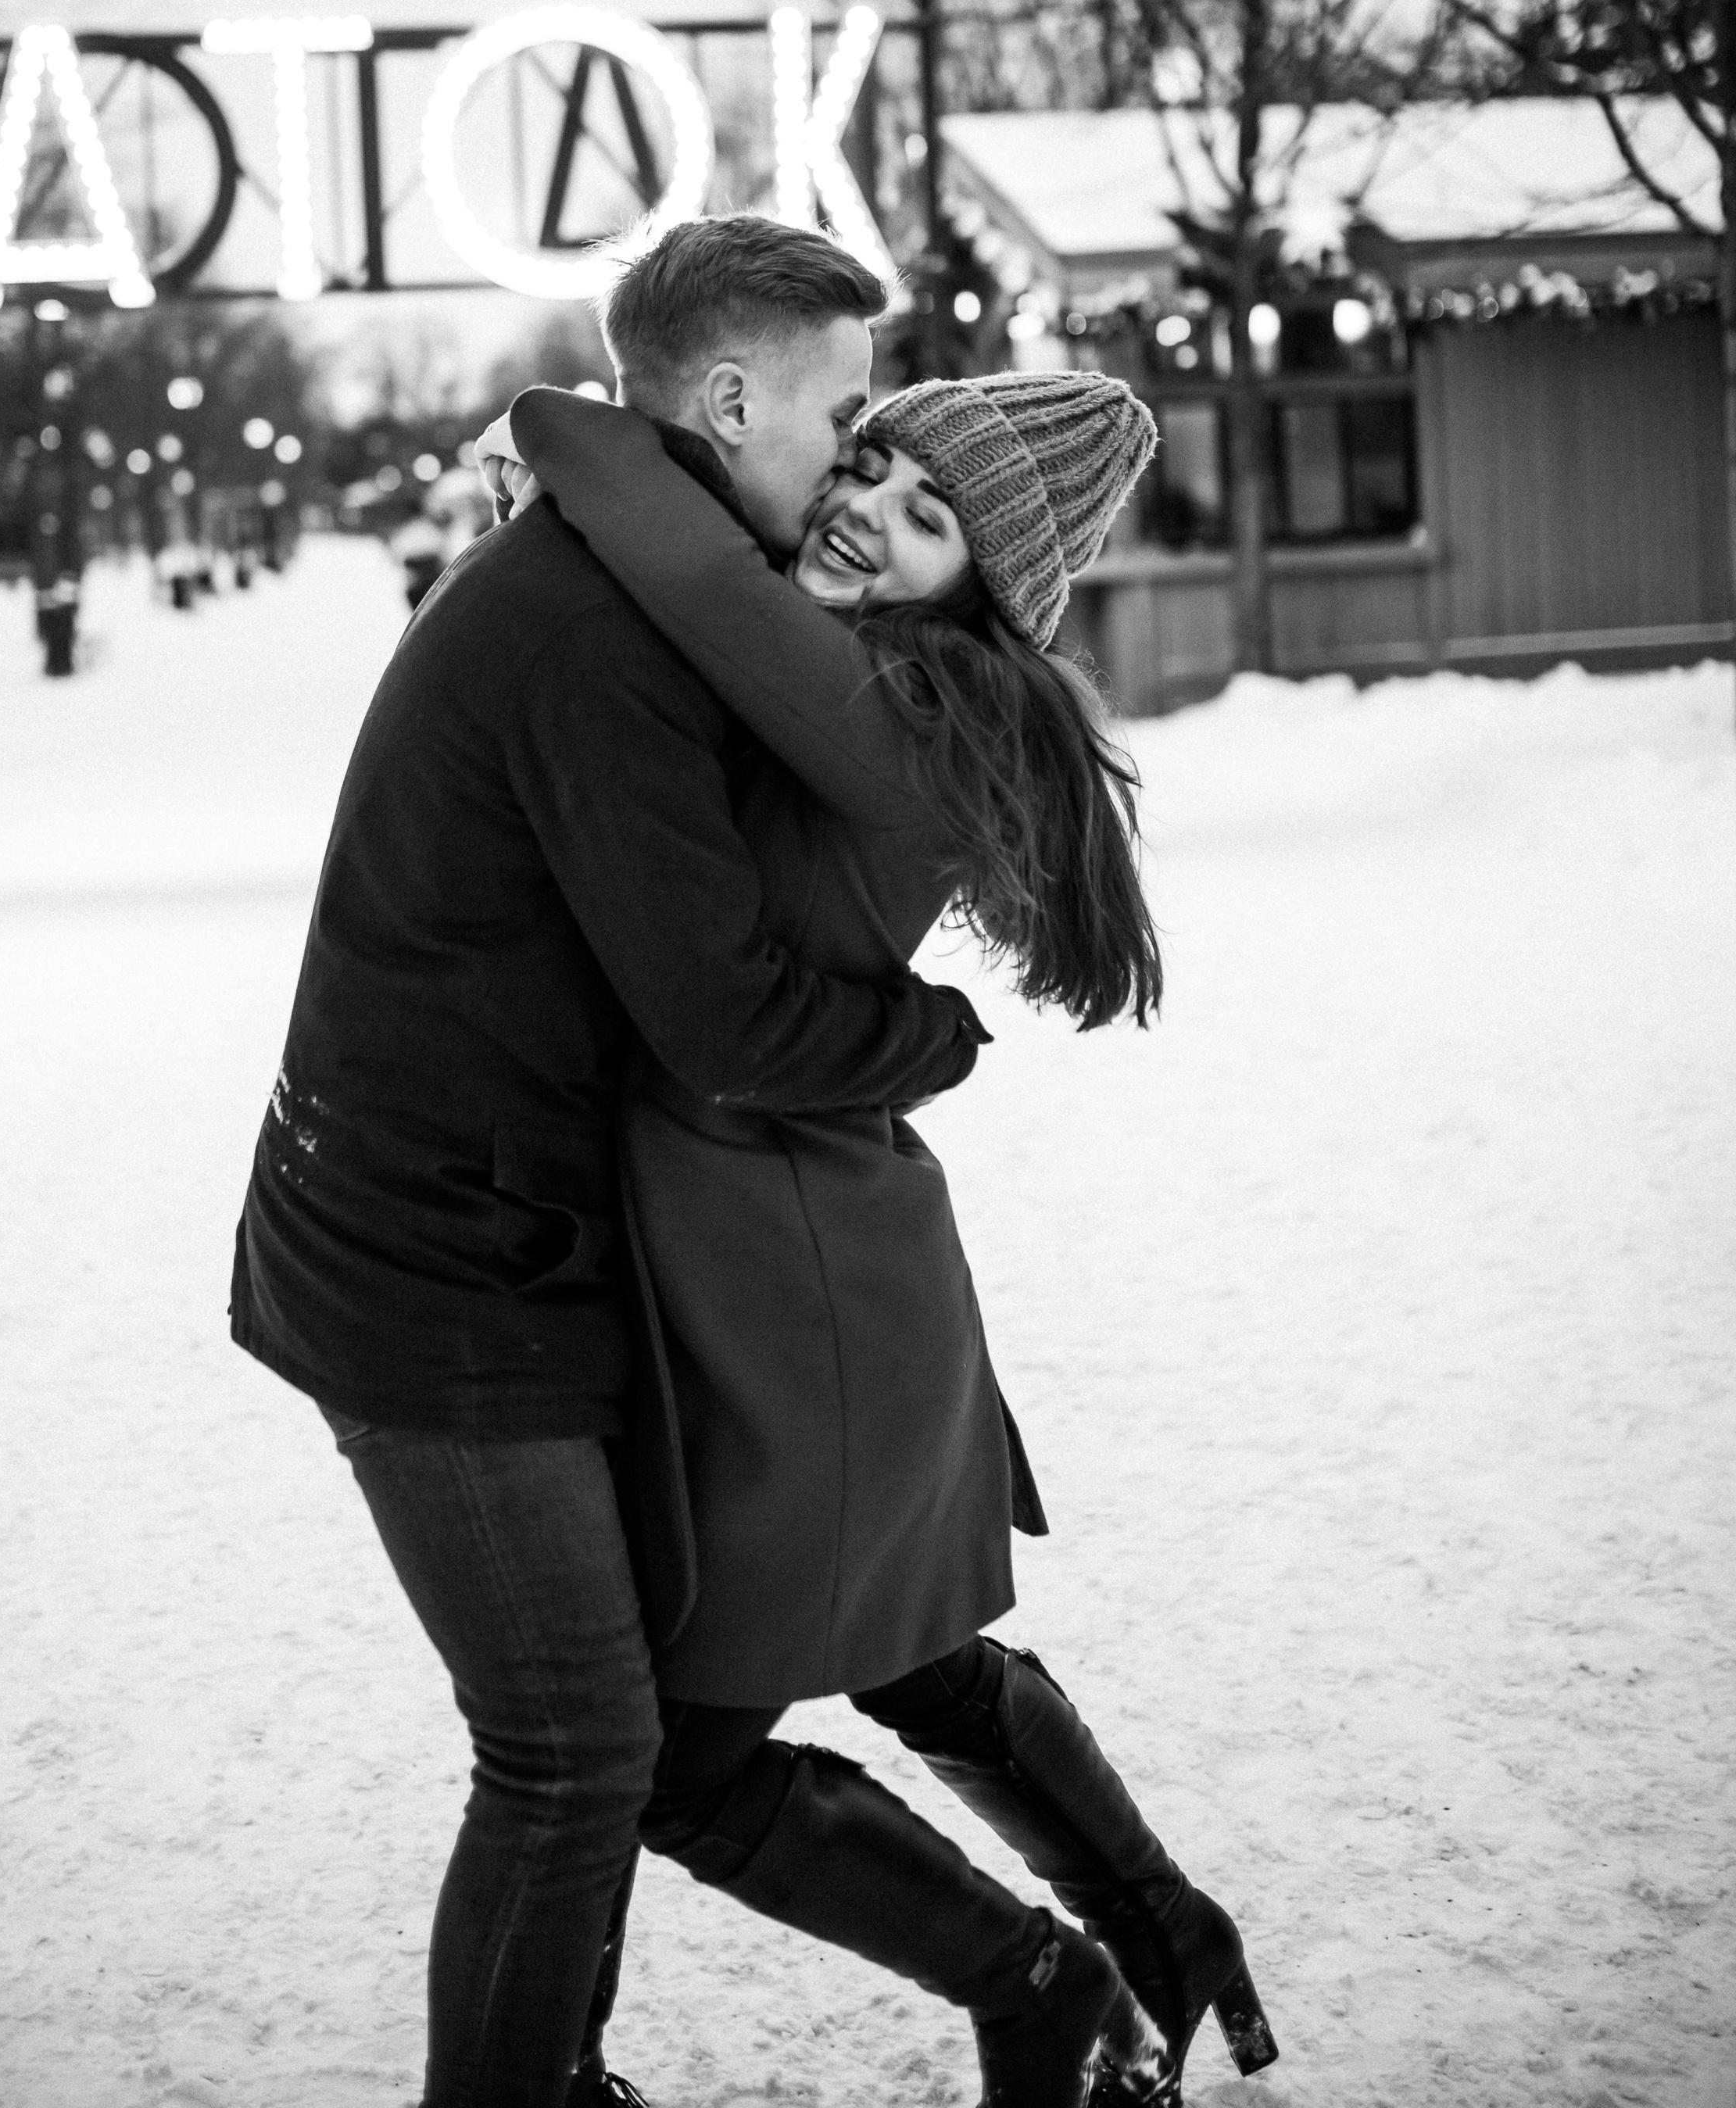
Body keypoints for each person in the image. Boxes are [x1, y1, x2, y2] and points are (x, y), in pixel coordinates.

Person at [228, 217, 1001, 2108]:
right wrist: (935, 1039)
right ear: (729, 401)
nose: (853, 452)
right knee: (576, 1747)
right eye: (839, 409)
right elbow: (724, 1018)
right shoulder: (594, 631)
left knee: (610, 1736)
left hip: (497, 1225)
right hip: (432, 1266)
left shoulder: (623, 578)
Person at [489, 366, 1279, 2105]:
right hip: (793, 1247)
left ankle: (1037, 1984)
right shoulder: (863, 675)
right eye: (871, 465)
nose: (864, 511)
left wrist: (563, 419)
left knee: (667, 1761)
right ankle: (1153, 1922)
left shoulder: (876, 699)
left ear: (974, 596)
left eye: (928, 524)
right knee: (901, 1651)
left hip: (798, 1291)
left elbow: (681, 567)